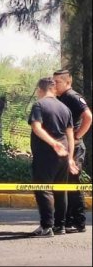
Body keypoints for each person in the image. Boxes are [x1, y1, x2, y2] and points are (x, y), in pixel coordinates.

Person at [27, 77, 77, 237]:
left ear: (39, 90)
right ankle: (60, 226)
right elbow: (70, 135)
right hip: (63, 155)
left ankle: (47, 226)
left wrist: (53, 143)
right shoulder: (64, 108)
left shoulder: (39, 105)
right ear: (54, 89)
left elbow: (36, 127)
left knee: (43, 189)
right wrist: (70, 158)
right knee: (60, 190)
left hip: (46, 155)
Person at [53, 69, 91, 234]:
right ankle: (67, 220)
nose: (54, 85)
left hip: (74, 147)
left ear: (67, 82)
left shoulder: (73, 97)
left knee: (73, 184)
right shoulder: (59, 97)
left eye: (58, 82)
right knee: (64, 184)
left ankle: (79, 222)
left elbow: (88, 116)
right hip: (64, 146)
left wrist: (77, 136)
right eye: (53, 82)